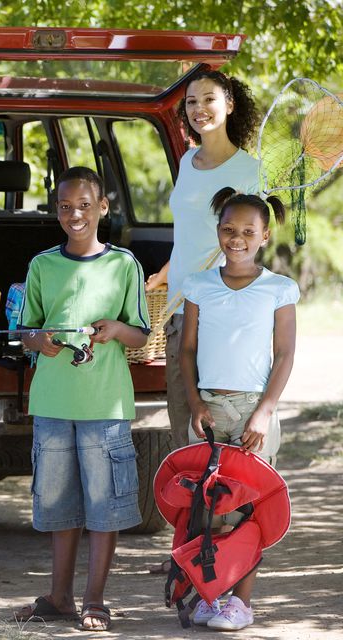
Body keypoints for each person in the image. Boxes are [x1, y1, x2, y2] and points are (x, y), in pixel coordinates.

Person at [13, 166, 150, 632]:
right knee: (58, 504)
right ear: (56, 210)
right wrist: (40, 341)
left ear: (103, 208)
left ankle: (95, 600)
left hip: (104, 405)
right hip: (52, 402)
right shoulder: (41, 265)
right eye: (66, 207)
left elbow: (139, 333)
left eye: (85, 206)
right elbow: (25, 329)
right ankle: (59, 597)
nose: (76, 214)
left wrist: (115, 329)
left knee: (104, 503)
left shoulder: (124, 265)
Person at [144, 70, 262, 575]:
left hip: (222, 320)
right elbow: (188, 238)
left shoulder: (251, 170)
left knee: (224, 448)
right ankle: (189, 551)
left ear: (229, 103)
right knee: (184, 441)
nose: (199, 109)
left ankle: (226, 558)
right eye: (191, 102)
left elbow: (248, 250)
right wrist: (162, 278)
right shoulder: (188, 163)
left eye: (209, 99)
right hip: (178, 314)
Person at [178, 188, 297, 631]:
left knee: (248, 510)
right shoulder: (199, 284)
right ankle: (212, 595)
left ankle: (240, 604)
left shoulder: (279, 289)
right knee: (207, 509)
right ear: (218, 232)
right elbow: (186, 351)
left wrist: (264, 412)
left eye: (248, 231)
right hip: (209, 408)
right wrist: (194, 403)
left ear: (264, 235)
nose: (237, 238)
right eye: (229, 229)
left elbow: (284, 355)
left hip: (252, 413)